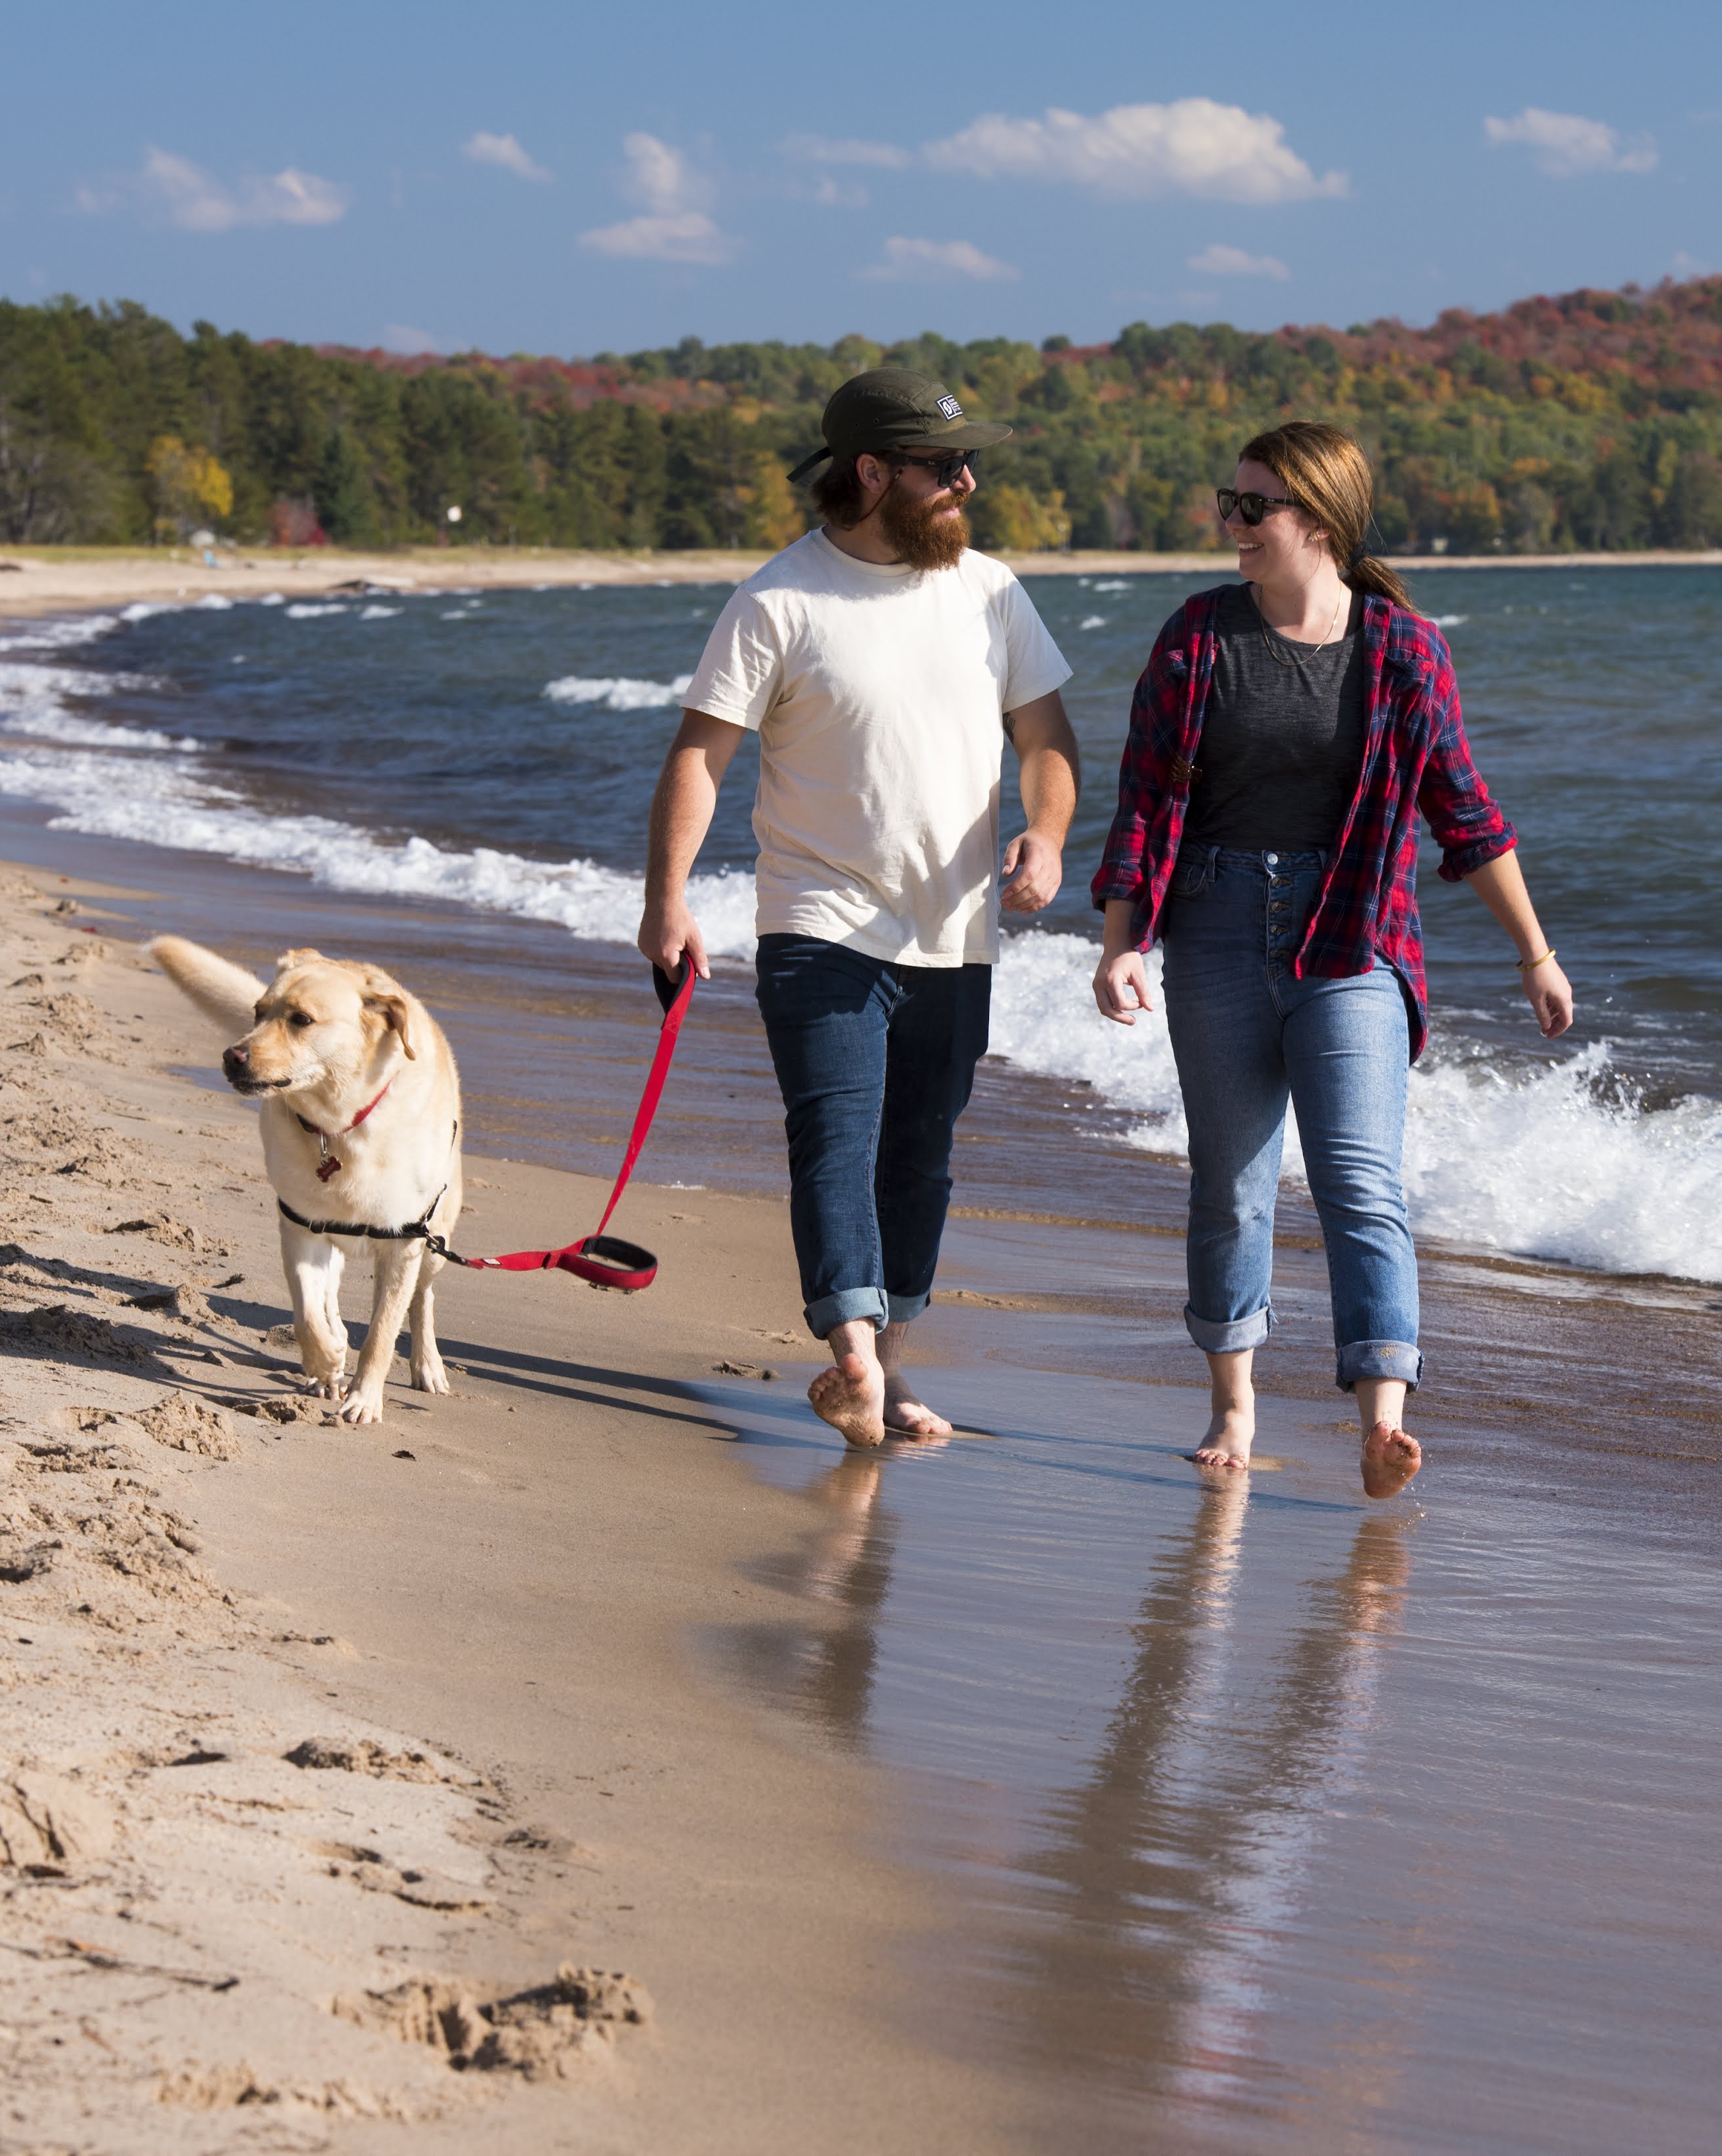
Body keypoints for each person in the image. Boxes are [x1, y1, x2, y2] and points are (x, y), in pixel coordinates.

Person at [1091, 422, 1573, 1500]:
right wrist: (1122, 944)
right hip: (1213, 924)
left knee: (1361, 1180)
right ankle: (1233, 1403)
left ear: (1321, 520)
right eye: (1232, 501)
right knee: (1232, 1185)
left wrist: (1536, 955)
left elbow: (1467, 812)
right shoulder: (1197, 637)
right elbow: (1146, 803)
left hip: (1353, 935)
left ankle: (1382, 1416)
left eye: (1254, 507)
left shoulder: (1403, 649)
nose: (1234, 524)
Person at [639, 368, 1079, 1447]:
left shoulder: (991, 591)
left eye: (969, 463)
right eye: (945, 466)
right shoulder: (778, 600)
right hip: (817, 923)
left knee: (920, 1155)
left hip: (954, 930)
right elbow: (700, 756)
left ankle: (885, 1360)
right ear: (873, 472)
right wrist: (668, 902)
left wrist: (1050, 837)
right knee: (836, 1138)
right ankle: (850, 1354)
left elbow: (1049, 743)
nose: (967, 482)